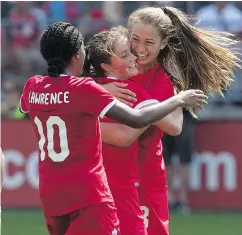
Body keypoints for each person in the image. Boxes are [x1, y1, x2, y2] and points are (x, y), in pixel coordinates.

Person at [19, 22, 207, 235]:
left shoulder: (33, 85)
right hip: (89, 194)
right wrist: (178, 100)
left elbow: (26, 110)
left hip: (51, 194)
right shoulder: (86, 89)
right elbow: (137, 120)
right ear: (76, 55)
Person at [101, 6, 241, 235]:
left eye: (149, 43)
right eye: (135, 39)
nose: (139, 49)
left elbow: (174, 126)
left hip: (144, 179)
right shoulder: (112, 64)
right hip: (107, 176)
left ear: (163, 44)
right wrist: (98, 88)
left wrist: (143, 99)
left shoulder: (162, 79)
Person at [84, 26, 203, 235]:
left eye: (131, 50)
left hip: (89, 190)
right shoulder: (131, 92)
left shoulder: (83, 89)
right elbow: (172, 126)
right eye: (125, 54)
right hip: (123, 191)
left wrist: (80, 125)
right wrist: (178, 99)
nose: (134, 57)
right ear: (106, 66)